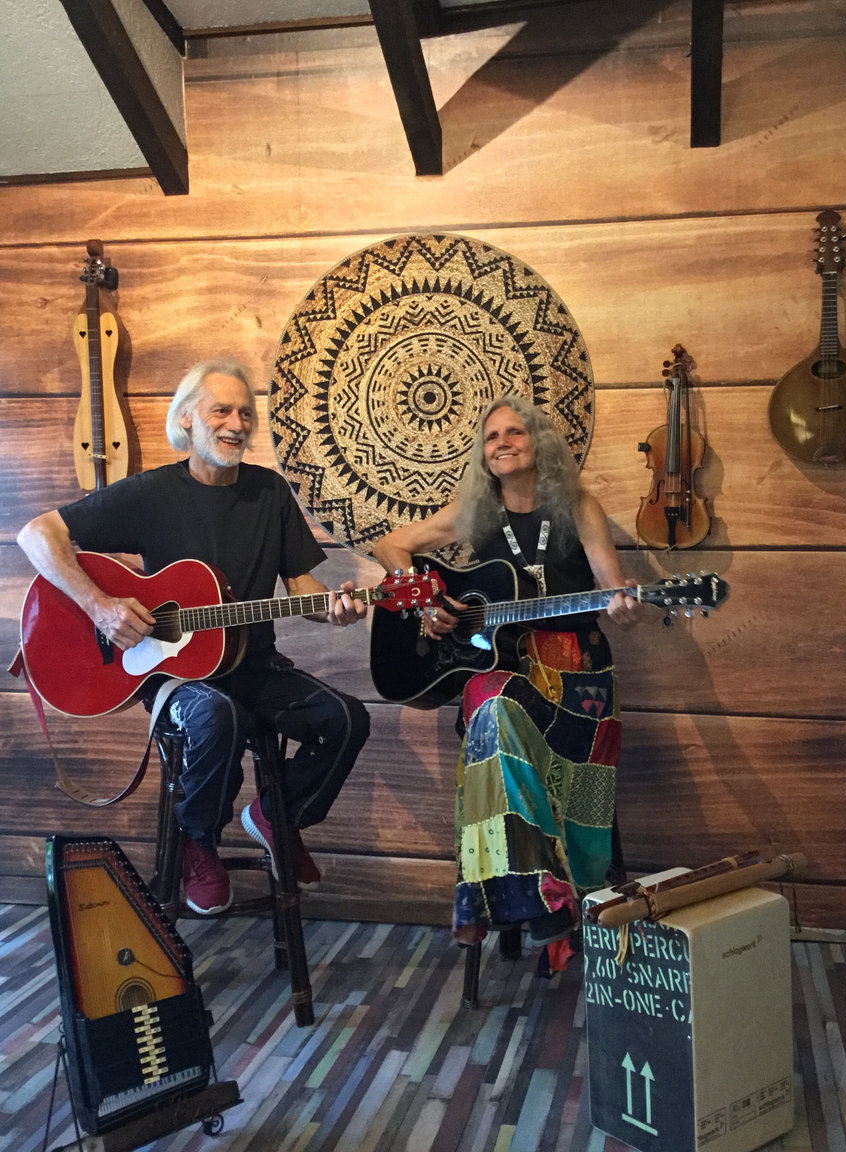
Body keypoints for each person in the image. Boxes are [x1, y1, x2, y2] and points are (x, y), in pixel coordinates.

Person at [17, 359, 370, 915]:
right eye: (221, 410)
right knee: (216, 716)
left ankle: (276, 818)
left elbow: (302, 586)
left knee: (347, 719)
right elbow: (37, 534)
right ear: (186, 418)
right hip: (173, 675)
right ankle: (198, 842)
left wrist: (336, 610)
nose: (237, 424)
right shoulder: (151, 494)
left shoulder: (270, 493)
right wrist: (101, 607)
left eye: (246, 414)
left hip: (254, 664)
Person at [372, 394, 641, 956]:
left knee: (505, 726)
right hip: (501, 666)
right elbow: (390, 544)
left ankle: (539, 895)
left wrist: (625, 604)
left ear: (538, 442)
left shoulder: (578, 506)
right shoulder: (476, 512)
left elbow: (613, 587)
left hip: (578, 673)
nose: (502, 444)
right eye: (492, 437)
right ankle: (539, 897)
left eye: (514, 432)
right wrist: (427, 602)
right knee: (493, 705)